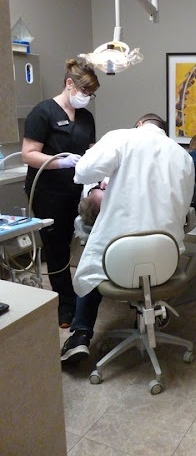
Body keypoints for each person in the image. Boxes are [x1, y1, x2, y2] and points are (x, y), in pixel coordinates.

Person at [61, 113, 195, 363]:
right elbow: (185, 205)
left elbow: (83, 172)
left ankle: (80, 336)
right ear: (163, 130)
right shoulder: (184, 157)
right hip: (164, 260)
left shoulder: (122, 138)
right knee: (120, 264)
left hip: (119, 259)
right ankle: (148, 316)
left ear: (139, 124)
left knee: (93, 265)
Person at [22, 58, 100, 328]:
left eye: (91, 93)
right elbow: (28, 154)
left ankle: (84, 295)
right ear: (69, 84)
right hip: (48, 191)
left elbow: (91, 149)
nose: (87, 97)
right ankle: (65, 304)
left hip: (77, 189)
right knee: (56, 248)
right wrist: (61, 162)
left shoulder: (86, 117)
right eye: (85, 91)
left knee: (80, 241)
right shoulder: (42, 113)